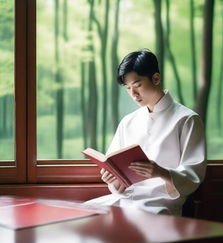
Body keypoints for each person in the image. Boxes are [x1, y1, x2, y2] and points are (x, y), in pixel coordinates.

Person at [83, 49, 206, 216]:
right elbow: (115, 172)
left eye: (137, 85)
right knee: (82, 213)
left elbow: (193, 177)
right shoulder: (128, 122)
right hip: (124, 200)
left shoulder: (187, 119)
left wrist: (160, 172)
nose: (133, 94)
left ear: (156, 78)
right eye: (128, 88)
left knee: (126, 221)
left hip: (159, 203)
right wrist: (112, 178)